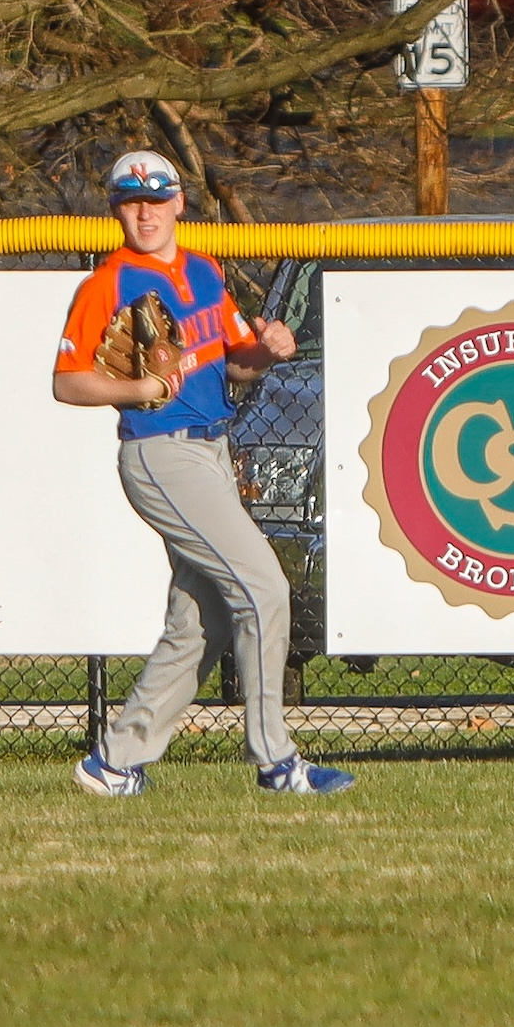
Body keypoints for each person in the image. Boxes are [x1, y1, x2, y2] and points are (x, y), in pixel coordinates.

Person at [53, 150, 353, 796]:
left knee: (202, 620)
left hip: (214, 449)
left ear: (179, 203)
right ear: (116, 210)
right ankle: (276, 761)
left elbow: (236, 364)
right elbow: (68, 382)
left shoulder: (204, 271)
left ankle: (113, 764)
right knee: (264, 589)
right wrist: (137, 387)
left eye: (156, 200)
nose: (145, 214)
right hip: (161, 453)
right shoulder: (107, 283)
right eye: (132, 202)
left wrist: (267, 349)